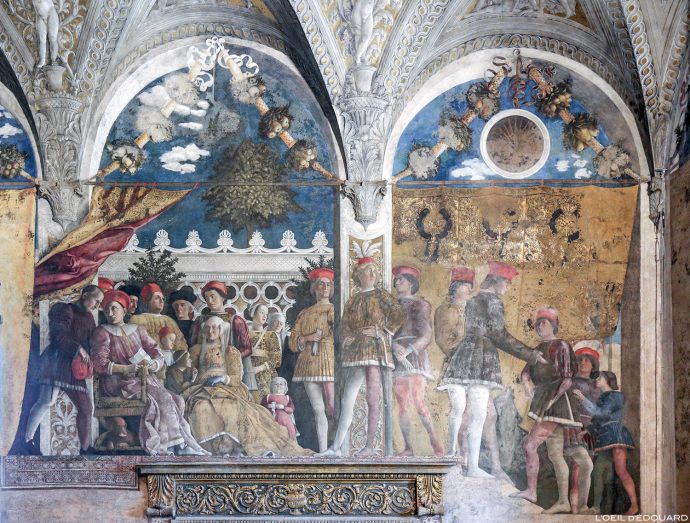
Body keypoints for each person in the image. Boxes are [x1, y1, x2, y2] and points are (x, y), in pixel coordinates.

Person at [438, 261, 545, 477]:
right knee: (477, 414)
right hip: (482, 358)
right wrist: (531, 355)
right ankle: (472, 467)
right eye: (506, 282)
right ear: (496, 281)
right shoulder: (493, 301)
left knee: (462, 411)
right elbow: (499, 335)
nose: (507, 287)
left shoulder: (473, 300)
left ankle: (452, 459)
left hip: (464, 354)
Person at [90, 290, 207, 456]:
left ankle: (181, 442)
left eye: (114, 308)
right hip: (117, 382)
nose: (110, 313)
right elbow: (99, 364)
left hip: (145, 379)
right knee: (163, 397)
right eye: (107, 309)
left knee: (178, 400)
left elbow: (156, 351)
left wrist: (154, 364)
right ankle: (169, 446)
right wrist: (126, 369)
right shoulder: (102, 332)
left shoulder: (138, 330)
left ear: (124, 310)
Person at [184, 316, 310, 456]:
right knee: (201, 407)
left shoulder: (230, 351)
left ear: (221, 330)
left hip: (228, 388)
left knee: (234, 409)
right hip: (201, 388)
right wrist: (192, 376)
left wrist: (223, 378)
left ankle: (235, 447)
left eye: (214, 327)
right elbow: (187, 374)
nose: (210, 331)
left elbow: (236, 377)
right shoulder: (196, 350)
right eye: (207, 328)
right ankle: (209, 449)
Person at [320, 257, 405, 457]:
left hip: (375, 350)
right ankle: (336, 447)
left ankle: (370, 446)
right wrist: (347, 337)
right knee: (347, 398)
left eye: (374, 271)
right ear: (360, 275)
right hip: (356, 352)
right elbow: (345, 325)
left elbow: (398, 314)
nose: (372, 274)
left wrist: (383, 331)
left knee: (373, 398)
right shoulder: (354, 299)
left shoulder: (381, 295)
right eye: (368, 271)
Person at [511, 307, 589, 514]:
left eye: (543, 323)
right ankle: (563, 501)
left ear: (553, 325)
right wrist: (526, 384)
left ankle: (532, 491)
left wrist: (552, 401)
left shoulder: (561, 345)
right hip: (544, 399)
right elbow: (526, 372)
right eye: (537, 324)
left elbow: (566, 379)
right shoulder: (538, 348)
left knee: (529, 445)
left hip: (557, 402)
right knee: (554, 454)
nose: (539, 327)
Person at [24, 285, 104, 455]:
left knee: (86, 407)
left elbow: (91, 342)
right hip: (56, 362)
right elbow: (58, 336)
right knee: (46, 401)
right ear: (85, 295)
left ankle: (85, 448)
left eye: (99, 303)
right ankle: (27, 441)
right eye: (96, 300)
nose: (97, 305)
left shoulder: (89, 318)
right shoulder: (64, 309)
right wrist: (78, 349)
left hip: (75, 368)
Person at [391, 265, 442, 457]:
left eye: (401, 279)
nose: (397, 282)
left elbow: (427, 335)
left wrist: (408, 349)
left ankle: (434, 441)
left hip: (414, 356)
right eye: (396, 280)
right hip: (396, 357)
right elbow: (386, 332)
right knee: (402, 404)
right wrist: (393, 345)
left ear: (411, 283)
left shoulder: (420, 305)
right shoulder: (391, 306)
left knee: (419, 402)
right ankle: (408, 447)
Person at [574, 371, 639, 516]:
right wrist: (587, 431)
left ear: (608, 380)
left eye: (600, 377)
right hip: (605, 436)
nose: (597, 380)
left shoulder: (615, 396)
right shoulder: (604, 397)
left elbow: (602, 414)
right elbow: (599, 420)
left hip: (615, 435)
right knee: (598, 471)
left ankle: (634, 506)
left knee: (621, 471)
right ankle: (596, 508)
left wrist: (584, 399)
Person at [289, 267, 335, 452]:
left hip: (328, 360)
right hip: (308, 363)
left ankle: (336, 446)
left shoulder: (333, 310)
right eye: (321, 284)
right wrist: (307, 338)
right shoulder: (305, 313)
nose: (324, 288)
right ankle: (323, 450)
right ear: (314, 288)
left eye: (328, 285)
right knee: (317, 409)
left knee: (332, 406)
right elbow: (293, 341)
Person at [189, 281, 253, 387]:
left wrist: (226, 358)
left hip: (230, 372)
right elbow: (192, 346)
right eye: (206, 298)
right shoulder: (199, 321)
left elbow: (247, 348)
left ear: (223, 297)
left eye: (212, 296)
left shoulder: (236, 321)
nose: (210, 301)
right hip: (203, 372)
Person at [130, 283, 187, 351]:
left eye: (162, 299)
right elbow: (132, 344)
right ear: (147, 301)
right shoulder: (137, 320)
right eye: (157, 298)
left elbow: (180, 344)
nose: (161, 301)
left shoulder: (169, 321)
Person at [247, 303, 282, 401]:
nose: (265, 316)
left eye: (266, 314)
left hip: (265, 376)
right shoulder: (244, 335)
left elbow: (276, 360)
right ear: (253, 313)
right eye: (262, 312)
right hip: (247, 373)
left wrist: (259, 368)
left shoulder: (270, 335)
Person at [261, 377, 299, 441]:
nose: (278, 386)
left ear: (285, 386)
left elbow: (291, 409)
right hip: (273, 418)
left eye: (281, 384)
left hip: (287, 421)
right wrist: (269, 406)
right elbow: (261, 407)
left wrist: (283, 407)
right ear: (271, 386)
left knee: (289, 434)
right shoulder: (268, 397)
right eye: (276, 384)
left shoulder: (287, 397)